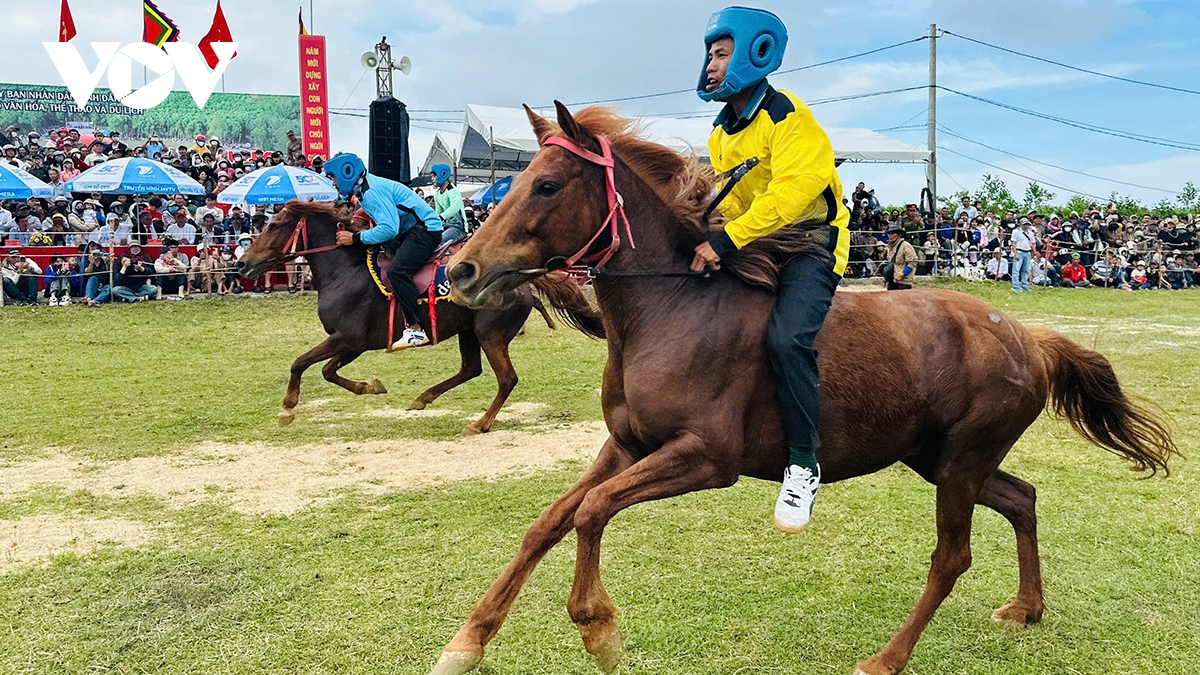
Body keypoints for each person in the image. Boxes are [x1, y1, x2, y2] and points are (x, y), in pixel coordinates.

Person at [687, 7, 849, 533]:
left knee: (787, 339)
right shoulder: (720, 133)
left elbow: (793, 193)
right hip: (760, 240)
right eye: (710, 55)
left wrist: (726, 240)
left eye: (721, 54)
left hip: (811, 244)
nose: (711, 65)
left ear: (756, 53)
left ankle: (803, 463)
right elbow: (735, 202)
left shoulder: (787, 115)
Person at [325, 152, 443, 349]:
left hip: (425, 230)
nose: (333, 182)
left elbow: (389, 228)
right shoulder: (364, 190)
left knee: (397, 271)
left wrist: (355, 238)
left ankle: (415, 329)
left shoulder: (371, 192)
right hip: (410, 231)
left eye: (333, 177)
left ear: (347, 172)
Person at [430, 164, 468, 245]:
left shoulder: (452, 190)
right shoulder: (437, 194)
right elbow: (438, 212)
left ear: (443, 174)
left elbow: (455, 207)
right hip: (446, 226)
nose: (432, 179)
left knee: (439, 241)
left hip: (458, 227)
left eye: (434, 176)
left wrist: (441, 217)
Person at [883, 222, 917, 289]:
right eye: (889, 233)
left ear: (899, 235)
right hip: (893, 280)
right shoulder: (890, 247)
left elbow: (912, 263)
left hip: (904, 282)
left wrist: (902, 275)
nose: (890, 236)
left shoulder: (906, 246)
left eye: (893, 233)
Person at [1010, 216, 1035, 292]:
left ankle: (1024, 285)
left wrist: (1034, 252)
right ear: (1020, 224)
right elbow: (1014, 243)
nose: (1026, 226)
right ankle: (1015, 286)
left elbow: (1032, 243)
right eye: (1024, 224)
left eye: (1027, 224)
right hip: (1019, 251)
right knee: (1016, 270)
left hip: (1027, 252)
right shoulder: (1016, 231)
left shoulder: (1030, 233)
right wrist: (1015, 253)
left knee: (1026, 270)